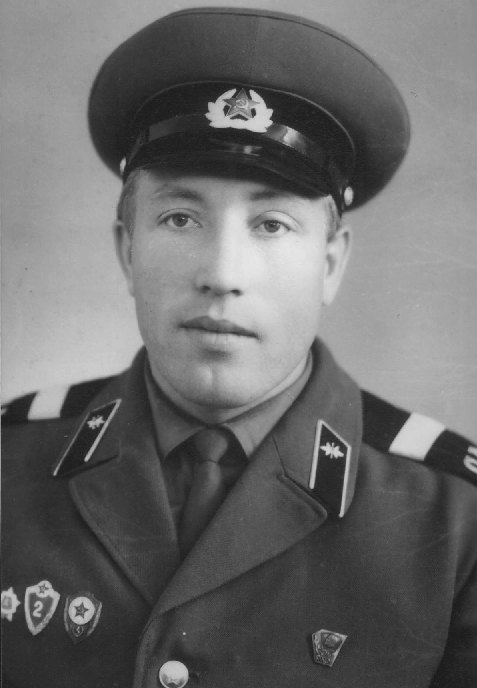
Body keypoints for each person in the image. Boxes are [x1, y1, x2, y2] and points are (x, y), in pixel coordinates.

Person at [2, 7, 476, 688]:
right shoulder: (11, 463)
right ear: (128, 250)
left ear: (331, 263)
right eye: (180, 218)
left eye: (271, 224)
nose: (222, 274)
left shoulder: (455, 519)